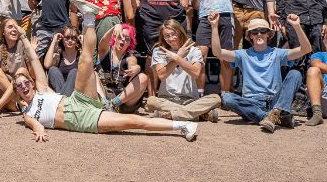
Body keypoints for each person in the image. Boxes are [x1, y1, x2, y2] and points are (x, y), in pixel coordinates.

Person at [14, 24, 199, 142]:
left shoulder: (42, 90)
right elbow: (35, 124)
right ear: (18, 93)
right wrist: (38, 131)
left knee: (85, 62)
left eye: (25, 83)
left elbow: (35, 62)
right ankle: (182, 125)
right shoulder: (28, 114)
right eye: (19, 87)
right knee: (132, 122)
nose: (24, 86)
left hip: (75, 100)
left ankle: (88, 19)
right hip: (79, 120)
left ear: (31, 83)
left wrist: (23, 37)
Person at [211, 13, 313, 132]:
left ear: (268, 34)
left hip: (275, 100)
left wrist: (297, 26)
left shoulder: (277, 53)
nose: (259, 34)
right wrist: (214, 26)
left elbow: (306, 49)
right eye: (255, 32)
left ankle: (275, 112)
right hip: (252, 102)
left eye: (263, 31)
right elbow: (217, 52)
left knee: (295, 74)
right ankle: (272, 117)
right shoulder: (242, 55)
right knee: (227, 97)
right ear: (250, 36)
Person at [145, 19, 222, 121]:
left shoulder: (194, 50)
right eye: (167, 36)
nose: (171, 38)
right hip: (167, 100)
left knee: (216, 98)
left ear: (180, 32)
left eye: (173, 34)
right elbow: (162, 75)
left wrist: (177, 58)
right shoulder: (159, 51)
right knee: (151, 101)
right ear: (163, 38)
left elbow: (195, 73)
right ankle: (198, 114)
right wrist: (177, 56)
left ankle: (168, 115)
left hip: (190, 100)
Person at [93, 23, 149, 112]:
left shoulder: (130, 57)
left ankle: (112, 105)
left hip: (123, 100)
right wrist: (115, 27)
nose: (123, 40)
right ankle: (105, 104)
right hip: (103, 94)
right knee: (92, 73)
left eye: (127, 38)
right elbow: (103, 40)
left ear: (130, 42)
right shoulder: (105, 51)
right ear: (114, 37)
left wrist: (136, 68)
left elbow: (133, 64)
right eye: (120, 36)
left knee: (143, 77)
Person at [42, 27, 83, 96]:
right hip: (59, 88)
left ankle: (62, 100)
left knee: (74, 72)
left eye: (73, 38)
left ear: (77, 40)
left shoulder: (81, 54)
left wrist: (83, 44)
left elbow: (89, 67)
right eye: (67, 37)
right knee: (53, 70)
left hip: (76, 92)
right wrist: (54, 41)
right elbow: (47, 65)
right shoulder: (58, 55)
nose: (70, 40)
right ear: (62, 39)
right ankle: (64, 99)